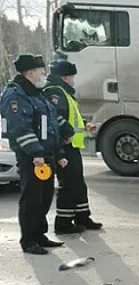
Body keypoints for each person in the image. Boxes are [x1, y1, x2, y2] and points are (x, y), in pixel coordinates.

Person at [0, 54, 74, 255]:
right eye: (42, 72)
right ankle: (29, 240)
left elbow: (49, 120)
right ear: (31, 73)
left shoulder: (35, 92)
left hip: (46, 154)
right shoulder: (16, 95)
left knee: (44, 197)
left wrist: (64, 132)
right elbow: (20, 128)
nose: (44, 75)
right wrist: (36, 153)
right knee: (32, 199)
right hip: (31, 156)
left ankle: (40, 235)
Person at [44, 59, 102, 233]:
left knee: (78, 183)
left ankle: (82, 217)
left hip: (72, 145)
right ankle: (63, 222)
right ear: (63, 76)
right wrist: (67, 133)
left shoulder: (65, 92)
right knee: (68, 184)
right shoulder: (54, 92)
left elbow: (71, 117)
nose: (73, 80)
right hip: (63, 145)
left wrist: (85, 125)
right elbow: (56, 117)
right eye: (71, 76)